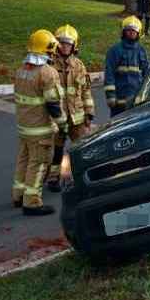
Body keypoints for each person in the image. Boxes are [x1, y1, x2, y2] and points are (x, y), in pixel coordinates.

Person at [12, 29, 67, 216]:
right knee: (39, 164)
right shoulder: (47, 72)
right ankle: (32, 202)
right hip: (40, 130)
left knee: (23, 161)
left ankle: (18, 195)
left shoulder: (21, 70)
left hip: (24, 127)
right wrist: (63, 124)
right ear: (48, 50)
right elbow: (53, 104)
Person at [44, 24, 94, 192]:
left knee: (81, 150)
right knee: (56, 151)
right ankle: (53, 179)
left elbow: (86, 91)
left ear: (74, 45)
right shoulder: (48, 65)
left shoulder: (79, 65)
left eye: (68, 43)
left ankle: (82, 178)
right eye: (62, 43)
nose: (65, 46)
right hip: (57, 118)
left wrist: (89, 113)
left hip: (77, 118)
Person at [104, 16, 150, 116]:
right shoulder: (115, 50)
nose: (131, 32)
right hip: (118, 102)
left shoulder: (142, 51)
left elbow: (147, 74)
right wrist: (110, 96)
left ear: (139, 33)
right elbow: (109, 73)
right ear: (123, 31)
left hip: (136, 101)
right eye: (129, 30)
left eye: (134, 30)